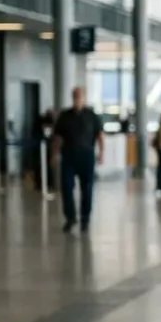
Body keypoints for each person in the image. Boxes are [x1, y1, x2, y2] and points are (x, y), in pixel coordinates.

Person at [51, 87, 104, 233]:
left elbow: (100, 135)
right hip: (68, 156)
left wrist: (101, 153)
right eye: (75, 96)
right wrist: (55, 154)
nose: (77, 99)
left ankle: (85, 218)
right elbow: (58, 138)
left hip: (86, 156)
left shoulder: (92, 116)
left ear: (84, 98)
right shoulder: (64, 116)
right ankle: (70, 217)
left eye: (79, 96)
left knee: (87, 188)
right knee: (67, 187)